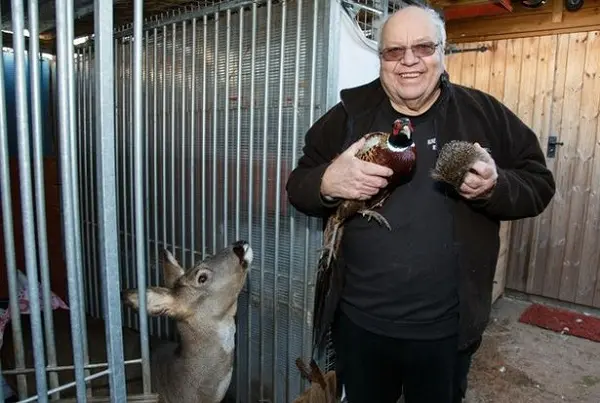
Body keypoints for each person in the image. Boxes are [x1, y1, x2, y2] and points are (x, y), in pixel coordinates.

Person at [285, 3, 555, 403]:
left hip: (445, 331)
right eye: (394, 51)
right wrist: (326, 182)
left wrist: (495, 187)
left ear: (443, 51)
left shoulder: (482, 114)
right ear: (380, 58)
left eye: (423, 47)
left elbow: (539, 183)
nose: (408, 61)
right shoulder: (348, 117)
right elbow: (297, 185)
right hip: (360, 325)